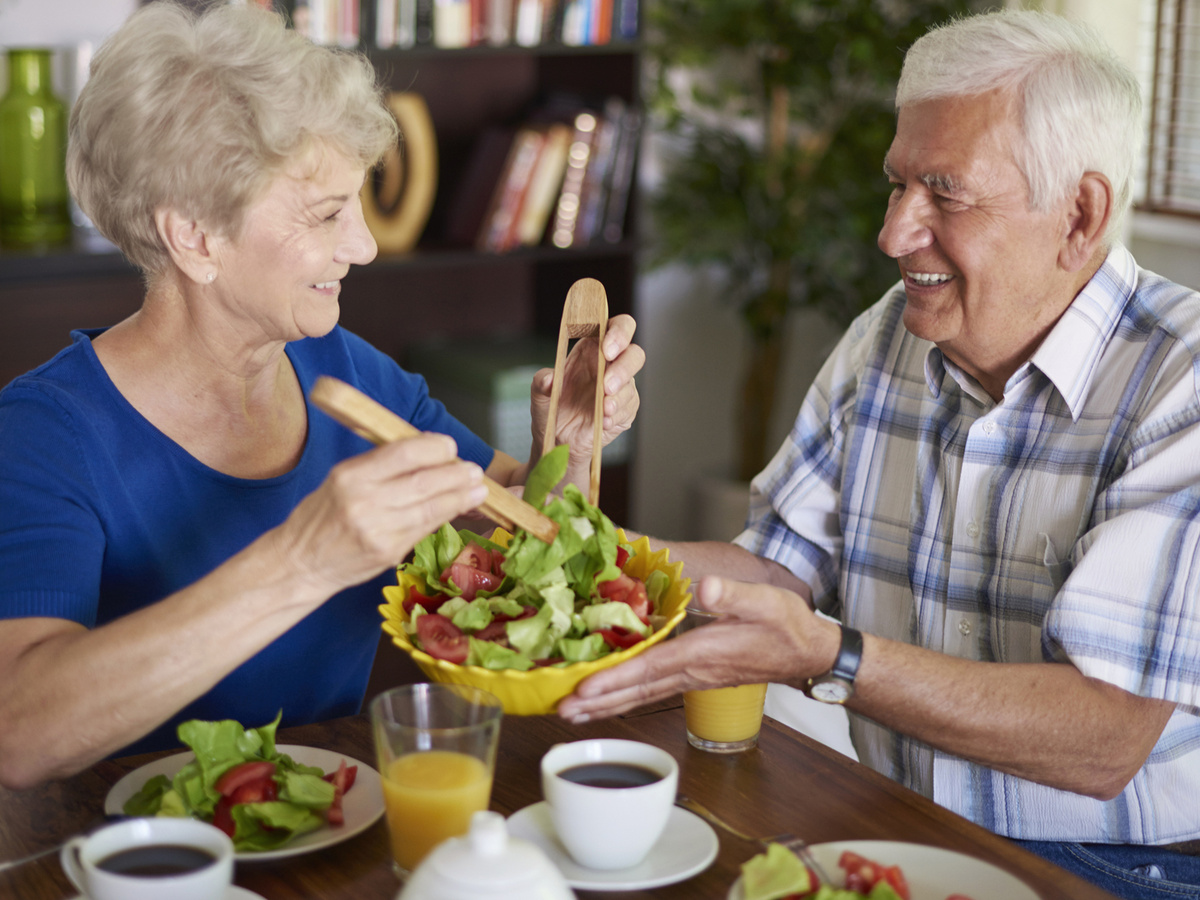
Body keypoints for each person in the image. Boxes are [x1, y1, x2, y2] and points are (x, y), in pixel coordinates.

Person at [559, 9, 1200, 898]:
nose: (894, 233)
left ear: (1080, 214)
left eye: (945, 191)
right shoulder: (888, 338)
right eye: (898, 185)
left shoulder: (1183, 383)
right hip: (901, 823)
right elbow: (775, 574)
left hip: (1120, 866)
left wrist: (831, 655)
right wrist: (565, 549)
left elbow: (1104, 740)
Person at [0, 1, 643, 790]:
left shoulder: (347, 371)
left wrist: (566, 452)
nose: (364, 246)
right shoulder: (45, 434)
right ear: (195, 237)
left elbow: (522, 544)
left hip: (333, 827)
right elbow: (18, 733)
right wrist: (305, 561)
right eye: (329, 213)